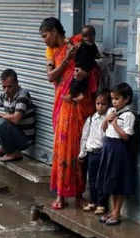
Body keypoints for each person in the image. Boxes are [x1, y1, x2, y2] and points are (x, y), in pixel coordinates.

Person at [40, 17, 100, 210]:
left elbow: (93, 65)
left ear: (55, 31)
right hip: (63, 105)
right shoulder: (52, 52)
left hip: (81, 104)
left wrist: (85, 75)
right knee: (63, 148)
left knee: (80, 149)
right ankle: (61, 194)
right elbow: (51, 77)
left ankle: (79, 194)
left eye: (45, 35)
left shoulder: (77, 42)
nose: (44, 40)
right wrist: (67, 59)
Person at [96, 83, 136, 225]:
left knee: (118, 182)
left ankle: (117, 212)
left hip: (119, 150)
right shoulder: (111, 111)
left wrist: (115, 124)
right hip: (108, 147)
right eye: (113, 99)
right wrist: (107, 120)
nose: (114, 102)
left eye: (117, 99)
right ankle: (112, 210)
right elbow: (104, 128)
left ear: (126, 99)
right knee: (111, 182)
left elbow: (126, 137)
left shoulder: (128, 115)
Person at [0, 69, 35, 162]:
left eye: (9, 87)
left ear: (17, 83)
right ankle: (4, 147)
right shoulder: (5, 95)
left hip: (24, 139)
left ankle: (14, 152)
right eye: (4, 87)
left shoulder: (23, 96)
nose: (6, 90)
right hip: (15, 133)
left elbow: (16, 119)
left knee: (1, 121)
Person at [78, 90, 110, 215]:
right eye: (98, 103)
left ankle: (102, 204)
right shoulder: (91, 119)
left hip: (102, 153)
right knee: (91, 179)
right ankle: (93, 201)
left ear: (108, 105)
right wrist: (82, 153)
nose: (100, 106)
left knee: (101, 179)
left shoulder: (108, 120)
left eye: (103, 104)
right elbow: (84, 137)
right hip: (91, 153)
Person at [64, 25, 101, 103]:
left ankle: (71, 95)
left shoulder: (82, 44)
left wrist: (69, 43)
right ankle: (81, 95)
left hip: (82, 67)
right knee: (84, 81)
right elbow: (97, 55)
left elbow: (73, 49)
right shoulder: (91, 45)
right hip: (86, 67)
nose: (86, 38)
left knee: (76, 81)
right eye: (84, 36)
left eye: (87, 36)